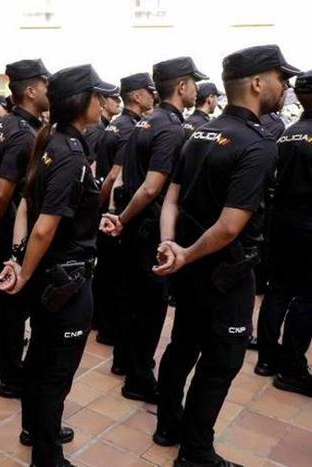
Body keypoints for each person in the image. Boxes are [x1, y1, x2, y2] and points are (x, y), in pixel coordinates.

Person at [151, 44, 298, 466]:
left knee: (182, 346)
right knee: (221, 363)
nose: (284, 86)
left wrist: (171, 247)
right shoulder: (257, 145)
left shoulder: (197, 132)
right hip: (223, 274)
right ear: (256, 82)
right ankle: (195, 452)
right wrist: (182, 253)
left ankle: (168, 427)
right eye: (279, 77)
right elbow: (231, 226)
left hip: (189, 267)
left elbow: (171, 200)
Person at [0, 64, 115, 467]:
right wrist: (23, 270)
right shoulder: (69, 153)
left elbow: (31, 209)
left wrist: (18, 260)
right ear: (81, 102)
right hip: (64, 280)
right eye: (98, 96)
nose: (103, 103)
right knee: (55, 373)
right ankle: (48, 456)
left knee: (41, 362)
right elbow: (43, 227)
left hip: (51, 276)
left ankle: (37, 428)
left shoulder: (54, 142)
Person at [101, 56, 207, 404]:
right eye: (192, 83)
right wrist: (123, 219)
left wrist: (121, 217)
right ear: (181, 87)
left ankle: (124, 363)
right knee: (149, 308)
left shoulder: (146, 123)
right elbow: (150, 188)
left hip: (136, 227)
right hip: (146, 225)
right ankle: (140, 378)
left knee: (133, 301)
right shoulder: (170, 129)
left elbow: (120, 178)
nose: (195, 89)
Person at [0, 59, 51, 398]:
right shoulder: (23, 133)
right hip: (12, 230)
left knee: (4, 304)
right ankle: (10, 375)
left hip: (4, 225)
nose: (49, 90)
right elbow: (4, 190)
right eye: (44, 84)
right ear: (30, 90)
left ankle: (3, 365)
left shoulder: (1, 126)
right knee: (13, 305)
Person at [92, 73, 157, 355]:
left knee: (107, 271)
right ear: (138, 96)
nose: (153, 96)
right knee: (118, 277)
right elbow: (114, 175)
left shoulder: (115, 125)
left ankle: (102, 323)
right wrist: (109, 211)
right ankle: (110, 329)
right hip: (116, 208)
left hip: (109, 206)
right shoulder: (130, 127)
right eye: (149, 91)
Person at [257, 70, 312, 396]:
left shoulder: (289, 133)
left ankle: (266, 358)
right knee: (307, 297)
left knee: (278, 290)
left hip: (281, 224)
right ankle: (292, 368)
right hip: (307, 227)